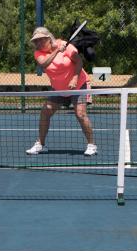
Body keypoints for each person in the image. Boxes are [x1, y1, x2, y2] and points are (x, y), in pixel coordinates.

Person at [26, 26, 97, 157]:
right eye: (36, 41)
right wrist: (57, 51)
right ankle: (40, 144)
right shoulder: (38, 53)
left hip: (79, 85)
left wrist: (75, 77)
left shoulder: (65, 45)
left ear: (49, 38)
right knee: (45, 112)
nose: (38, 43)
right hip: (59, 89)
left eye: (41, 40)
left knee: (80, 114)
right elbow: (44, 64)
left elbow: (79, 61)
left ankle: (91, 145)